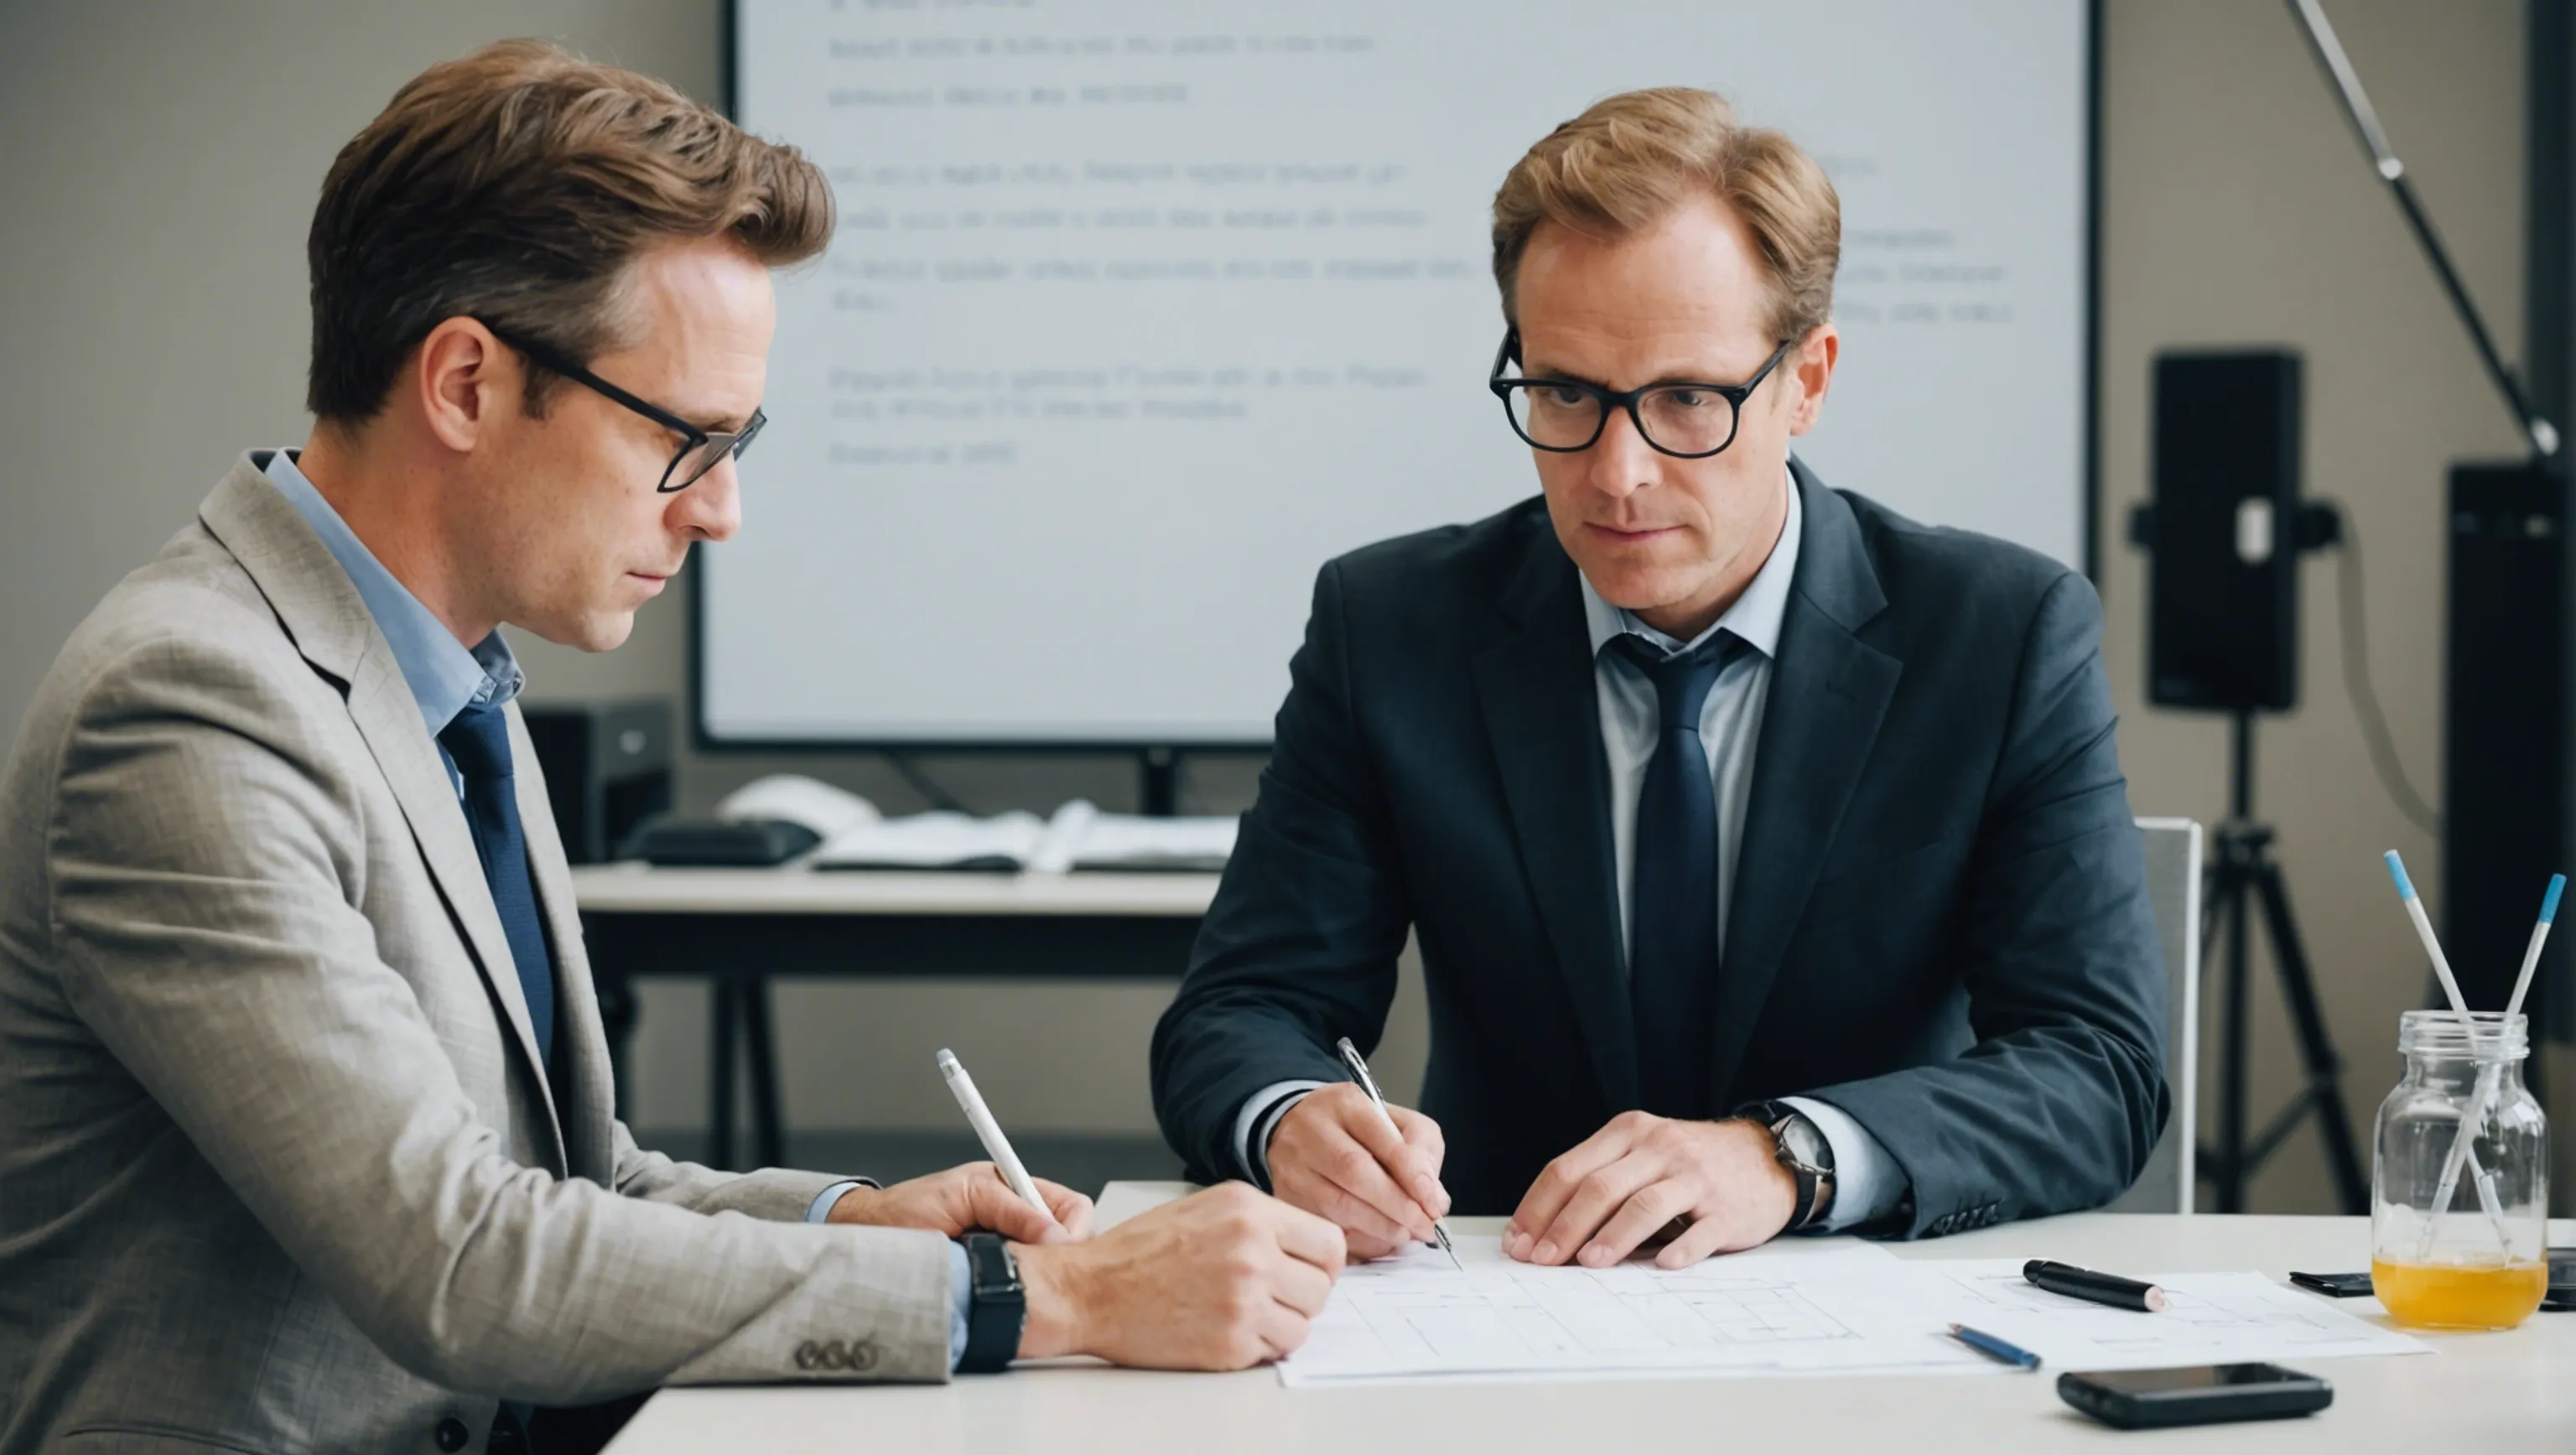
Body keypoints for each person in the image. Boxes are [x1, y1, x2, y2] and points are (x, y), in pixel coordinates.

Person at [0, 41, 1341, 1455]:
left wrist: (858, 1218)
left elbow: (577, 1180)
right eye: (687, 440)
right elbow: (460, 1256)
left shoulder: (449, 675)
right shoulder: (188, 709)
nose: (721, 514)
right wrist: (1027, 1297)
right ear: (464, 382)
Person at [1151, 86, 2170, 1271]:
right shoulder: (1393, 627)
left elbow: (2096, 1066)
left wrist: (1788, 1154)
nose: (1618, 474)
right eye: (1567, 394)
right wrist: (1290, 1119)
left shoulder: (1998, 636)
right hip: (1493, 1296)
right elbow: (1242, 1011)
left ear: (1809, 379)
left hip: (1864, 1315)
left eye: (1688, 397)